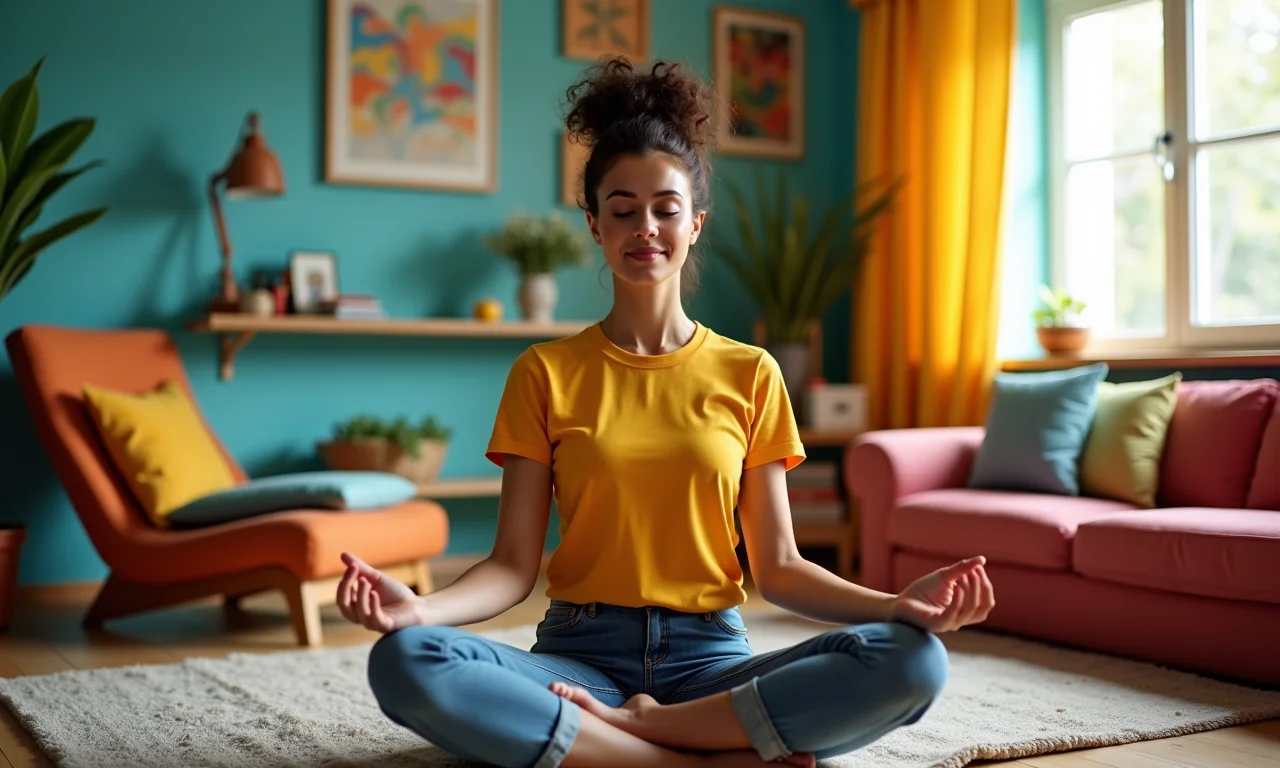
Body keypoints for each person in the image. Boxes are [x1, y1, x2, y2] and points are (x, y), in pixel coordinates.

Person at [335, 56, 995, 768]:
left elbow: (777, 568)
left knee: (912, 663)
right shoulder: (544, 373)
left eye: (665, 208)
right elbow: (510, 567)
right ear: (593, 224)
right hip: (577, 658)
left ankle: (630, 737)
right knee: (406, 660)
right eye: (621, 209)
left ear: (696, 223)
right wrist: (419, 611)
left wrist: (898, 605)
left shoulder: (751, 373)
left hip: (710, 664)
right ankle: (684, 758)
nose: (644, 227)